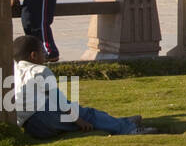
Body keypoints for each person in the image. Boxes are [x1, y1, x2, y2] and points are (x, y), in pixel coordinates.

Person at [13, 36, 157, 138]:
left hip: (30, 127)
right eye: (42, 52)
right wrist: (78, 120)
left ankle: (122, 121)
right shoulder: (40, 70)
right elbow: (60, 100)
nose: (45, 55)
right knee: (89, 115)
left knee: (78, 110)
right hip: (45, 119)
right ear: (33, 55)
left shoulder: (13, 71)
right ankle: (128, 128)